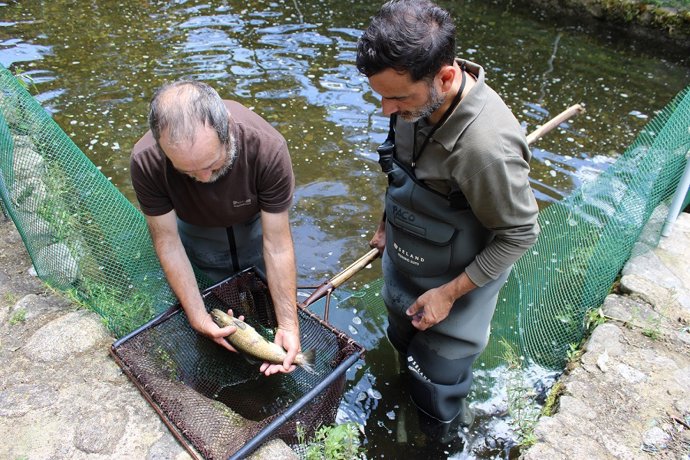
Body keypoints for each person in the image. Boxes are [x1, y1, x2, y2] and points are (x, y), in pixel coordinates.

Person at [356, 0, 540, 436]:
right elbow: (398, 165)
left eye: (397, 97)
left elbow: (519, 234)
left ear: (444, 76)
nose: (385, 109)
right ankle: (404, 412)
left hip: (457, 282)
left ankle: (440, 440)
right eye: (379, 95)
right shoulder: (409, 102)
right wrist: (386, 223)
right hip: (407, 261)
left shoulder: (485, 149)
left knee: (436, 383)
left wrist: (448, 294)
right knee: (402, 347)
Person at [130, 80, 300, 376]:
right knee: (209, 323)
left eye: (212, 164)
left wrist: (288, 323)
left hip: (254, 228)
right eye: (187, 172)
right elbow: (168, 242)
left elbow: (278, 245)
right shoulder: (146, 162)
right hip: (194, 232)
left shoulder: (267, 149)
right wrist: (197, 316)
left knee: (270, 310)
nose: (204, 178)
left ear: (227, 132)